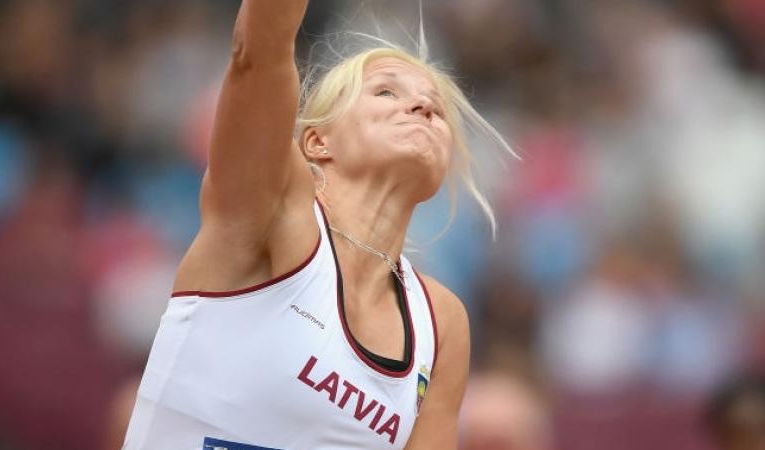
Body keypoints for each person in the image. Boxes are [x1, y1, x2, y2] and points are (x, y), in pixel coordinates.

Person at [122, 1, 514, 448]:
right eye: (387, 92)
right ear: (317, 140)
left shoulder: (441, 323)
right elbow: (259, 50)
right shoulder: (270, 205)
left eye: (438, 110)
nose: (424, 105)